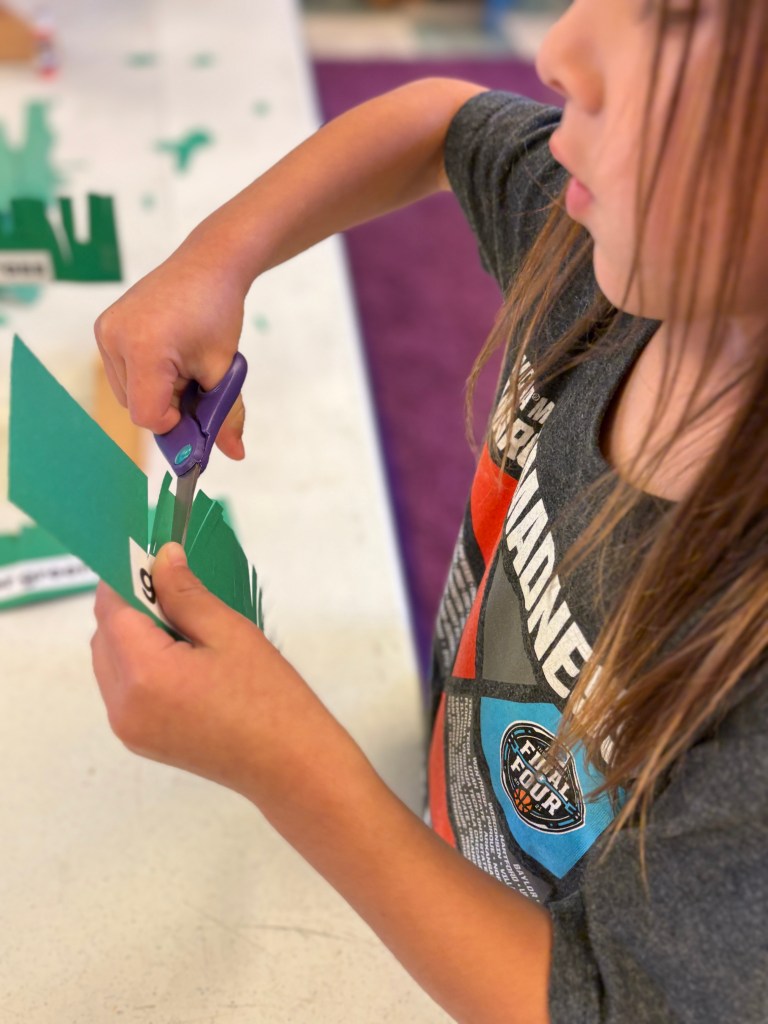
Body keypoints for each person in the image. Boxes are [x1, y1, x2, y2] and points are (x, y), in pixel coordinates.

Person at [91, 0, 768, 1020]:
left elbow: (604, 1002)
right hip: (455, 820)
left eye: (673, 21)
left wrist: (290, 768)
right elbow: (438, 117)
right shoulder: (612, 249)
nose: (558, 51)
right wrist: (217, 255)